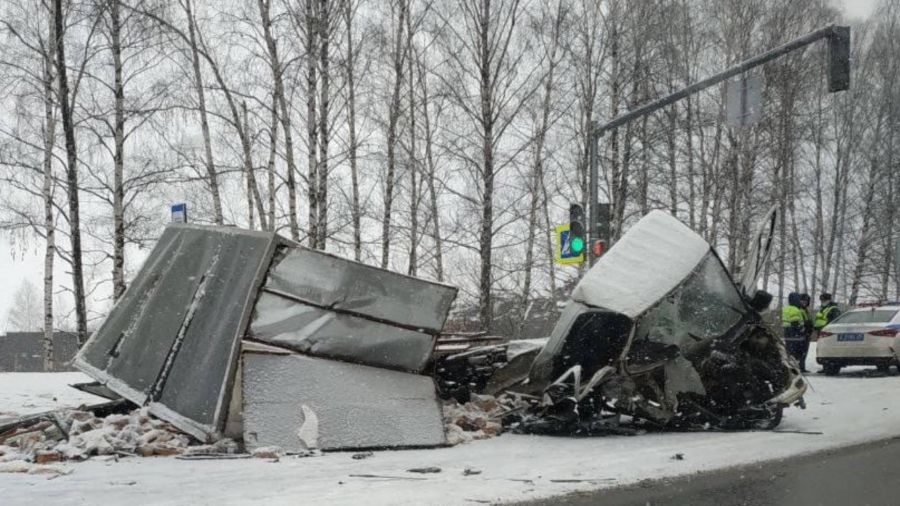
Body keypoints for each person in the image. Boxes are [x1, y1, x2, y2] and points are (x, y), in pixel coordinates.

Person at [782, 292, 810, 372]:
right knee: (797, 354)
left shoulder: (786, 308)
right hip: (796, 336)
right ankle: (796, 369)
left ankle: (792, 368)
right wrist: (803, 331)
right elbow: (796, 324)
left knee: (791, 354)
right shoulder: (795, 310)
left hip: (788, 335)